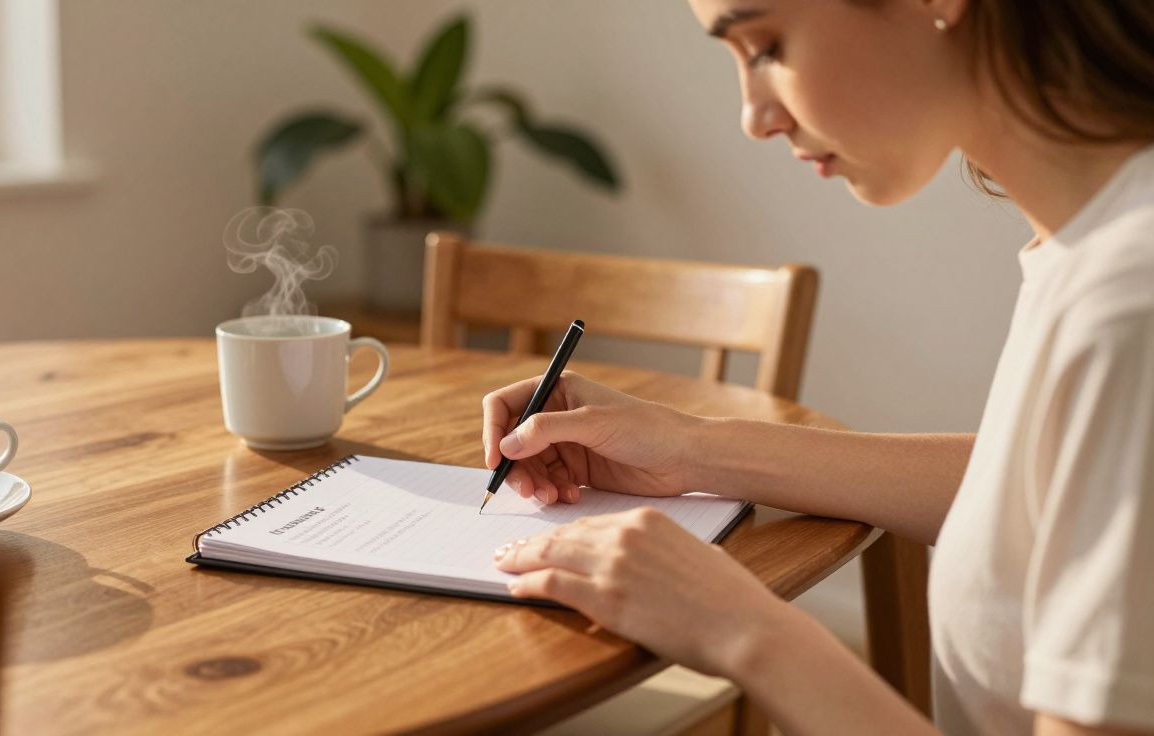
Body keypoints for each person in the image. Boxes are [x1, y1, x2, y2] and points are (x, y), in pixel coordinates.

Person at [482, 1, 1154, 734]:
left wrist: (743, 630)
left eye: (766, 45)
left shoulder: (1128, 304)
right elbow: (1038, 489)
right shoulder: (1095, 247)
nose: (753, 115)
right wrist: (686, 449)